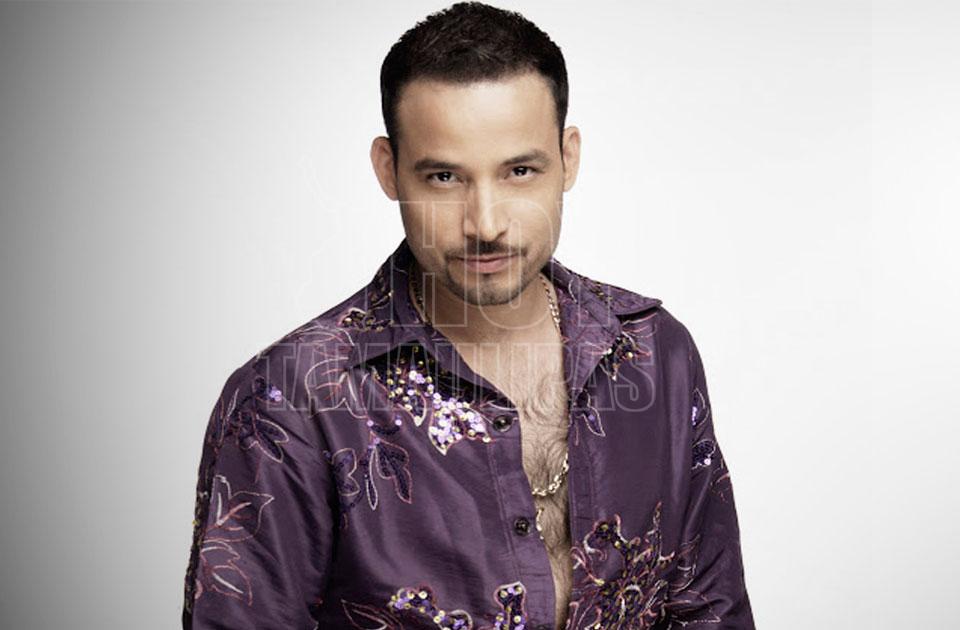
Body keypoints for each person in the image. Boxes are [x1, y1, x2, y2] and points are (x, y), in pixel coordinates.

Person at [181, 2, 755, 628]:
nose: (486, 223)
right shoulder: (288, 402)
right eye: (445, 177)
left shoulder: (655, 354)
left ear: (568, 158)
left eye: (519, 171)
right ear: (388, 170)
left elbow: (712, 609)